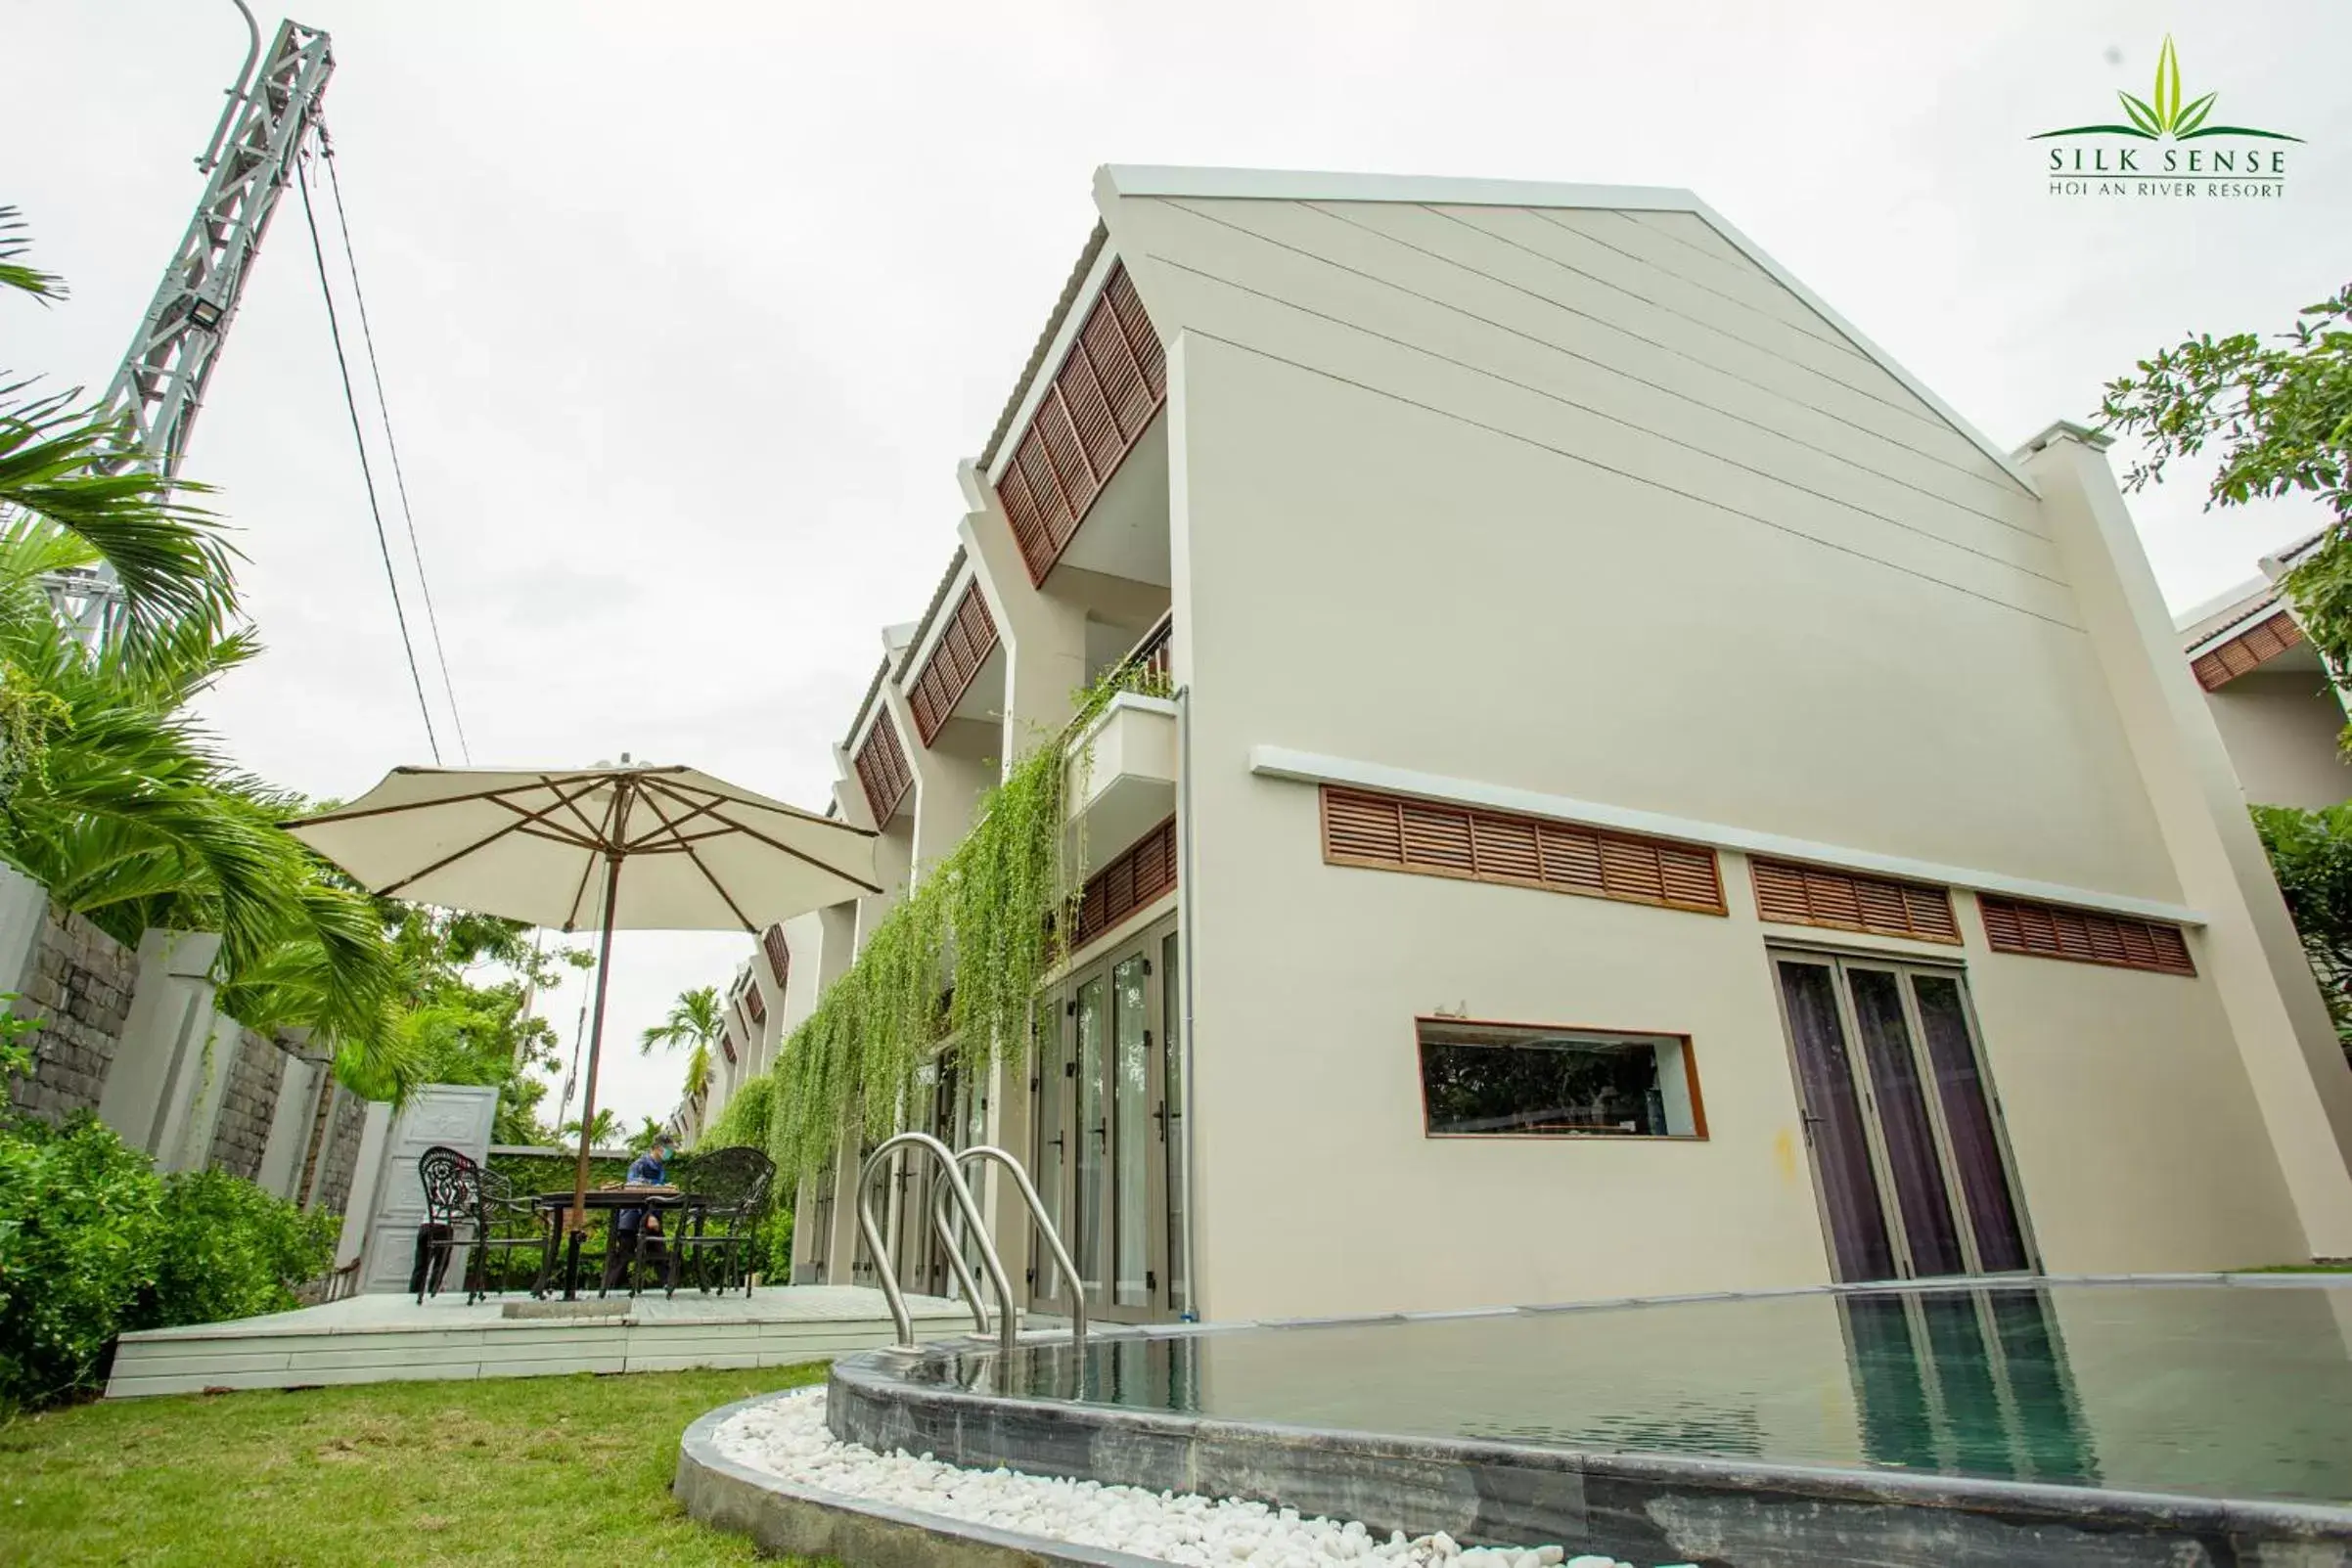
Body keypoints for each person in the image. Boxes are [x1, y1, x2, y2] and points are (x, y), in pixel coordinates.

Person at [603, 1136, 675, 1291]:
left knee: (659, 1251)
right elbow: (634, 1192)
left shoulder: (661, 1168)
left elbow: (659, 1194)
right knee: (624, 1254)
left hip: (653, 1217)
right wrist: (648, 1215)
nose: (671, 1153)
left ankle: (670, 1285)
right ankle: (609, 1288)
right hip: (632, 1217)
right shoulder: (639, 1165)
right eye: (669, 1149)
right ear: (658, 1148)